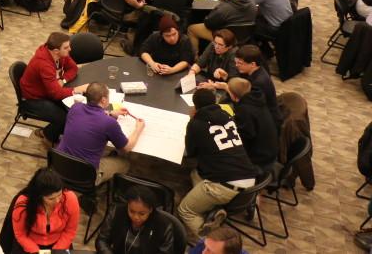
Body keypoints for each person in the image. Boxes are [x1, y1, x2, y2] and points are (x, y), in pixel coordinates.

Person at [178, 89, 259, 241]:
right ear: (215, 101)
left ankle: (212, 243)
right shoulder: (228, 116)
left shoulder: (196, 124)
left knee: (185, 210)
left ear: (195, 106)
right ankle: (214, 211)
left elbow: (190, 152)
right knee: (195, 173)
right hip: (249, 178)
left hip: (224, 185)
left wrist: (191, 122)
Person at [57, 82, 145, 183]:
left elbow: (91, 117)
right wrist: (138, 128)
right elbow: (126, 148)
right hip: (84, 175)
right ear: (103, 100)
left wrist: (111, 113)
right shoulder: (109, 123)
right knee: (125, 163)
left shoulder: (75, 107)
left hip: (60, 163)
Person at [20, 32, 88, 145]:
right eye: (66, 47)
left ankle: (47, 132)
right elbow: (56, 93)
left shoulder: (60, 55)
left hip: (47, 91)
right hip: (33, 98)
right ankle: (48, 137)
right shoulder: (44, 64)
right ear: (56, 51)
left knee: (74, 111)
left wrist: (63, 80)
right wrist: (77, 90)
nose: (70, 49)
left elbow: (73, 68)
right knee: (65, 118)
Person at [7, 168, 80, 253]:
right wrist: (36, 252)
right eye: (51, 198)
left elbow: (70, 231)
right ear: (39, 196)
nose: (57, 201)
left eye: (59, 195)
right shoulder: (23, 204)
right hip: (29, 243)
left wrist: (55, 252)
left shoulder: (70, 199)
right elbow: (20, 234)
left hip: (59, 243)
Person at [96, 185, 178, 254]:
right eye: (131, 211)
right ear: (127, 205)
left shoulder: (163, 226)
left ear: (150, 210)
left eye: (142, 214)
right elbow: (102, 240)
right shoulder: (117, 212)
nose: (136, 217)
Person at [225, 77, 278, 175]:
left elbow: (244, 137)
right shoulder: (257, 99)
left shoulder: (245, 111)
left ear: (233, 95)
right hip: (269, 151)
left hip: (260, 160)